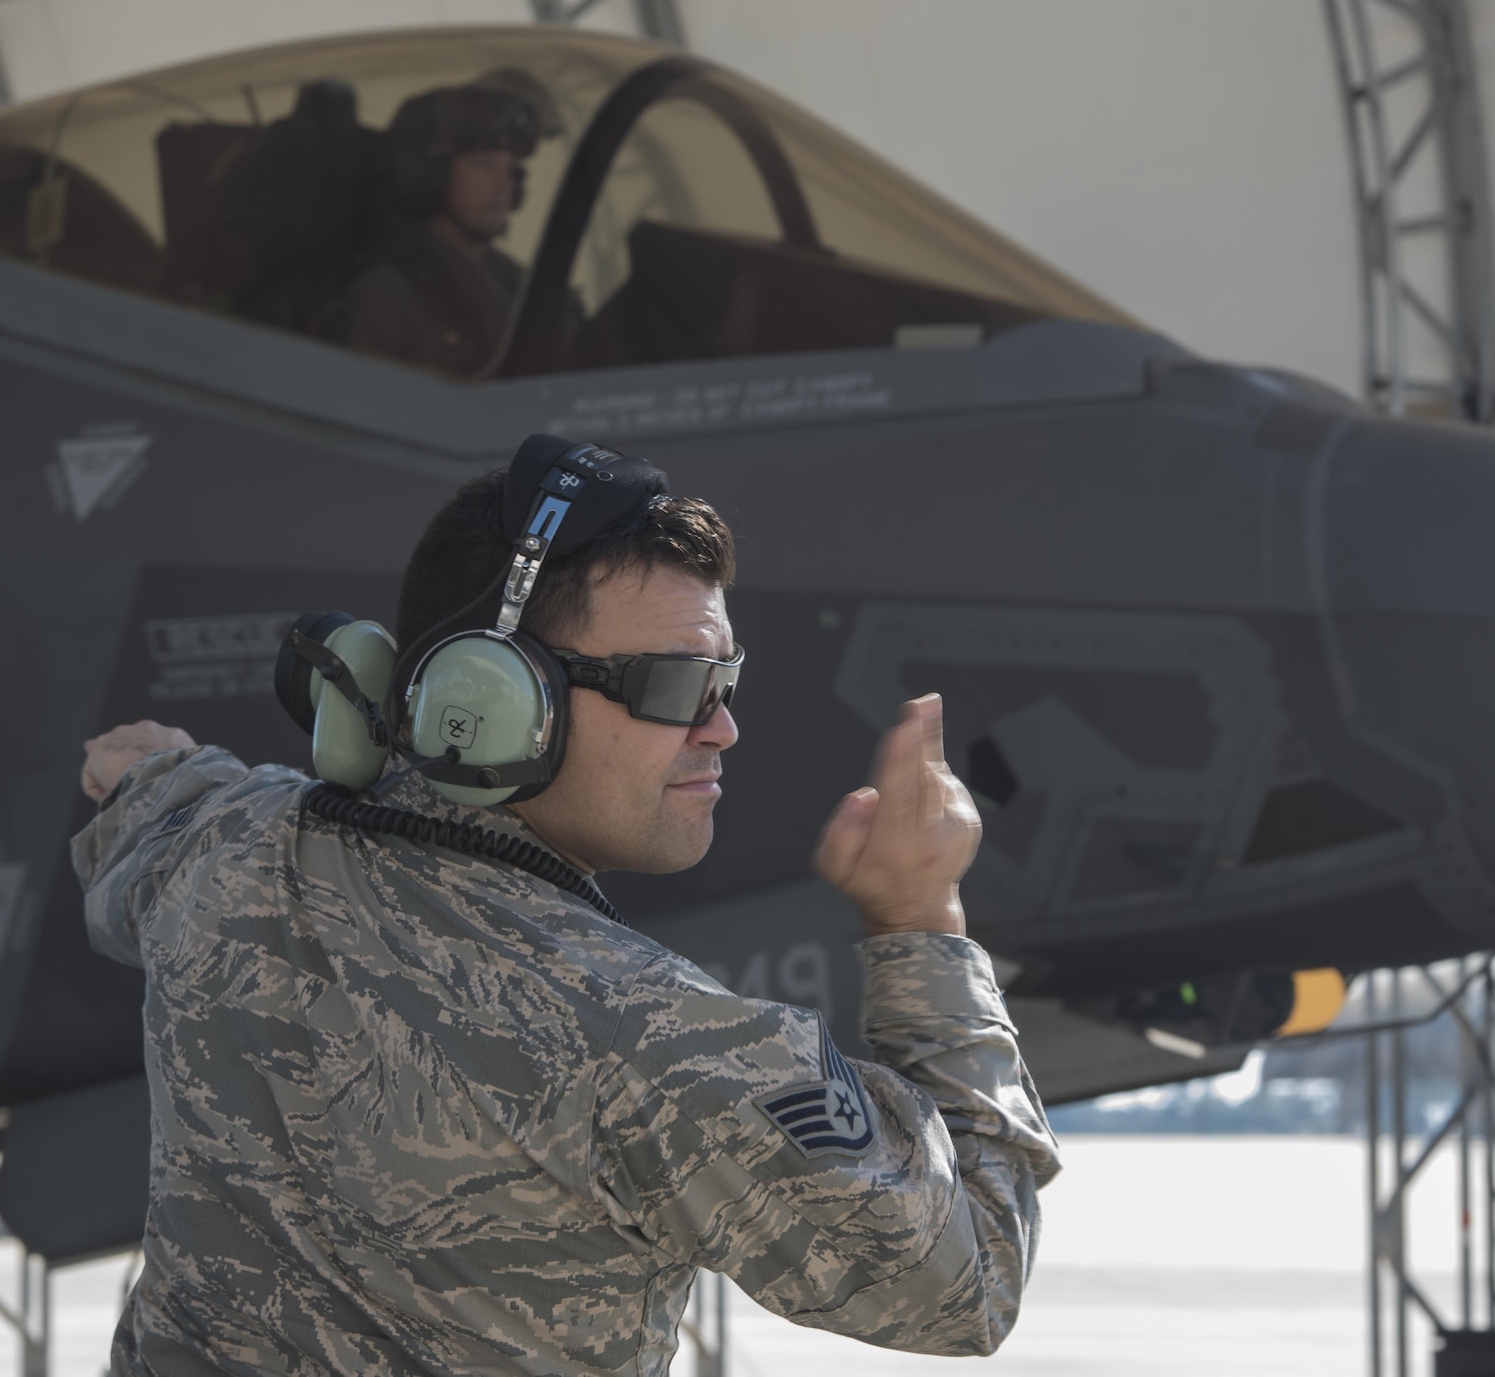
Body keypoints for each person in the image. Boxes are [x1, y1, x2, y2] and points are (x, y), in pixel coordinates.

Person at [73, 447, 1060, 1375]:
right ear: (490, 698)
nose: (723, 726)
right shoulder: (658, 1046)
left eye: (725, 680)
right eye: (677, 683)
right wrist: (922, 923)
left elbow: (147, 789)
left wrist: (146, 765)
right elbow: (969, 1284)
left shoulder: (220, 845)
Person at [330, 76, 542, 379]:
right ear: (433, 175)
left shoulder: (518, 284)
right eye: (485, 165)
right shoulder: (388, 293)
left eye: (511, 169)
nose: (504, 185)